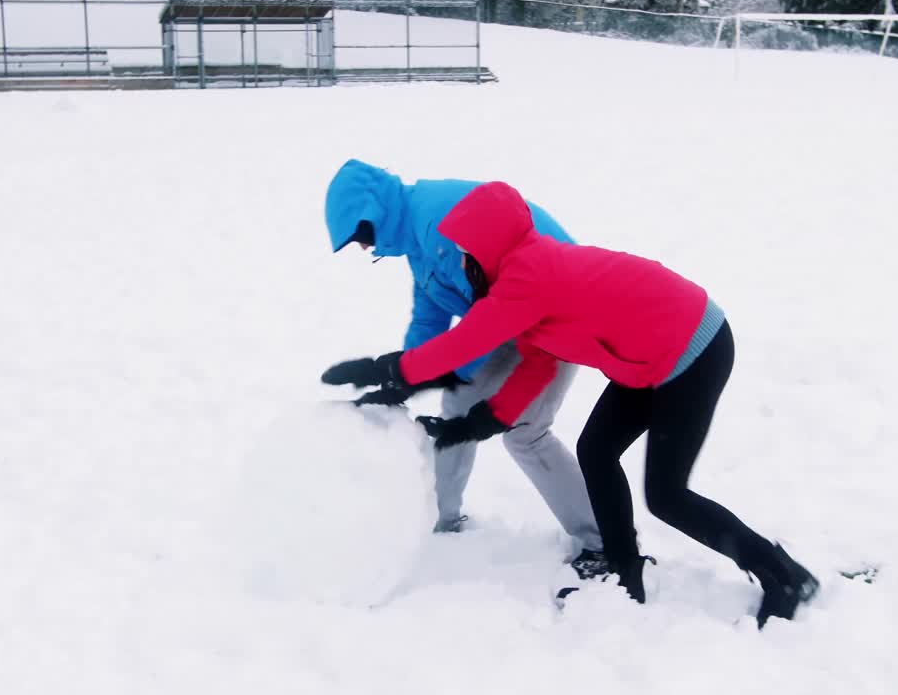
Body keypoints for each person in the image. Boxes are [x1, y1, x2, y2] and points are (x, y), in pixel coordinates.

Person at [322, 181, 819, 627]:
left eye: (467, 256)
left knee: (667, 495)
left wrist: (387, 369)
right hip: (647, 358)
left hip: (694, 348)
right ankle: (624, 568)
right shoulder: (518, 280)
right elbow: (535, 365)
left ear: (487, 249)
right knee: (597, 450)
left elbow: (465, 342)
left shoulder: (527, 276)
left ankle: (783, 574)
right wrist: (480, 423)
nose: (463, 266)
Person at [321, 159, 605, 565]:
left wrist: (413, 372)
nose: (364, 247)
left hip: (558, 317)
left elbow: (487, 322)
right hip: (511, 320)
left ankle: (602, 540)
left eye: (360, 236)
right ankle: (441, 519)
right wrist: (404, 381)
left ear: (373, 212)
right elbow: (431, 315)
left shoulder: (439, 225)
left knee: (527, 432)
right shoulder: (418, 235)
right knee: (458, 405)